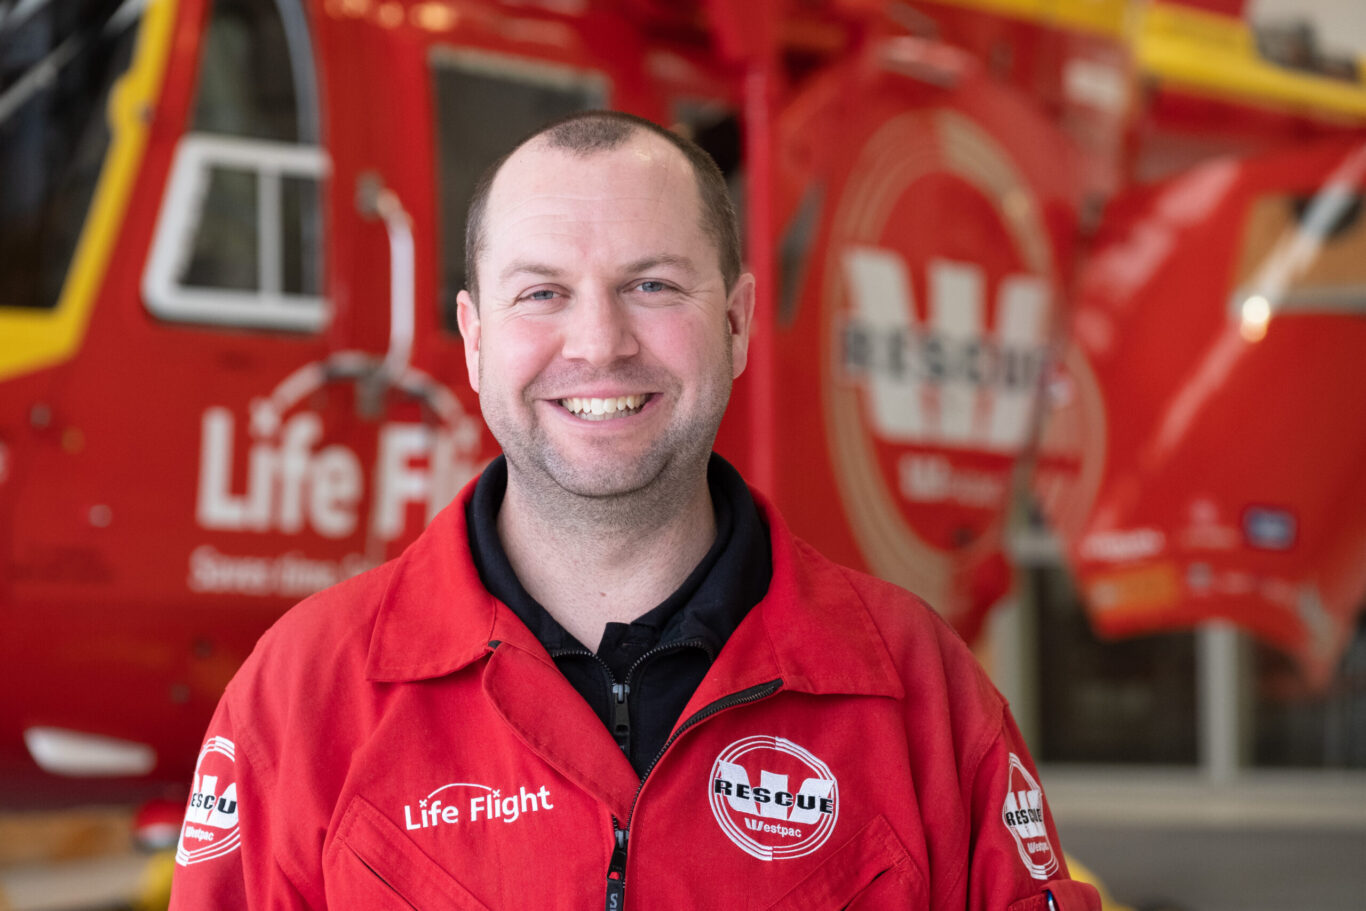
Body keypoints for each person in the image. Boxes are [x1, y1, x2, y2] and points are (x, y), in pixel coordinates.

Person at [168, 110, 1100, 910]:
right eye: (543, 294)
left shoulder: (918, 693)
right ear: (475, 340)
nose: (599, 343)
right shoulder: (304, 694)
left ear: (735, 325)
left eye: (651, 285)